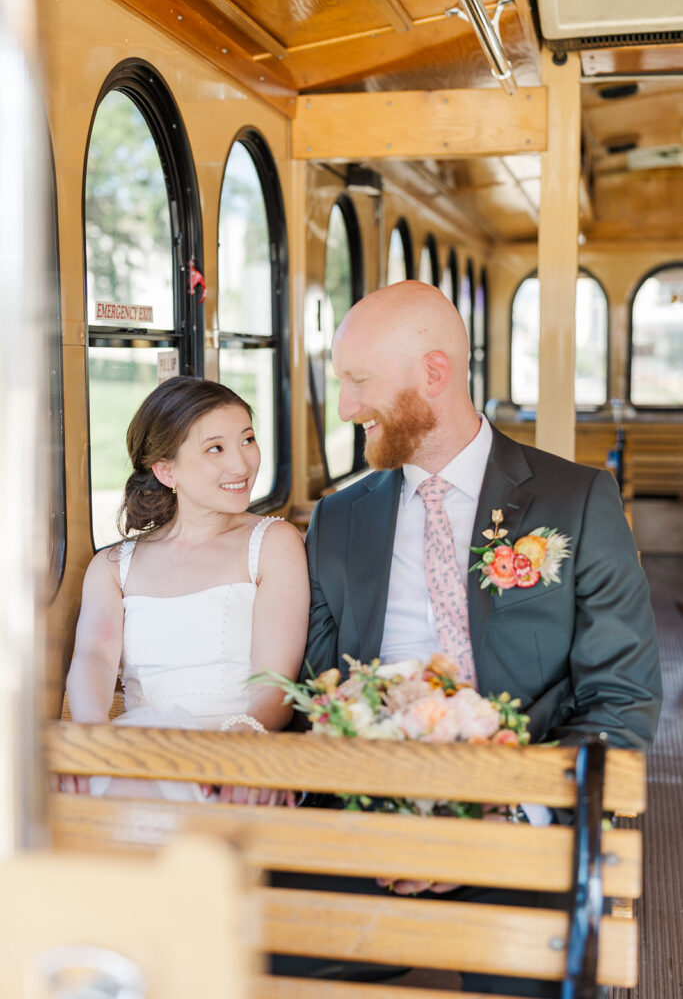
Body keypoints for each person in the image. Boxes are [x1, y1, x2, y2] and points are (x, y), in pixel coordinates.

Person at [297, 280, 661, 996]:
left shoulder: (574, 502)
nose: (345, 408)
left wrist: (502, 807)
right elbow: (320, 686)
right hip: (368, 817)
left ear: (434, 374)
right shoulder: (336, 522)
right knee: (262, 950)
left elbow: (620, 695)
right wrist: (388, 810)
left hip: (522, 816)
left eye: (359, 382)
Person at [65, 375, 309, 804]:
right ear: (166, 470)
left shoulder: (273, 543)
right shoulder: (113, 566)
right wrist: (90, 734)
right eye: (216, 448)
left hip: (240, 748)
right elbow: (95, 655)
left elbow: (275, 682)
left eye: (247, 440)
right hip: (144, 751)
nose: (242, 464)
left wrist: (244, 739)